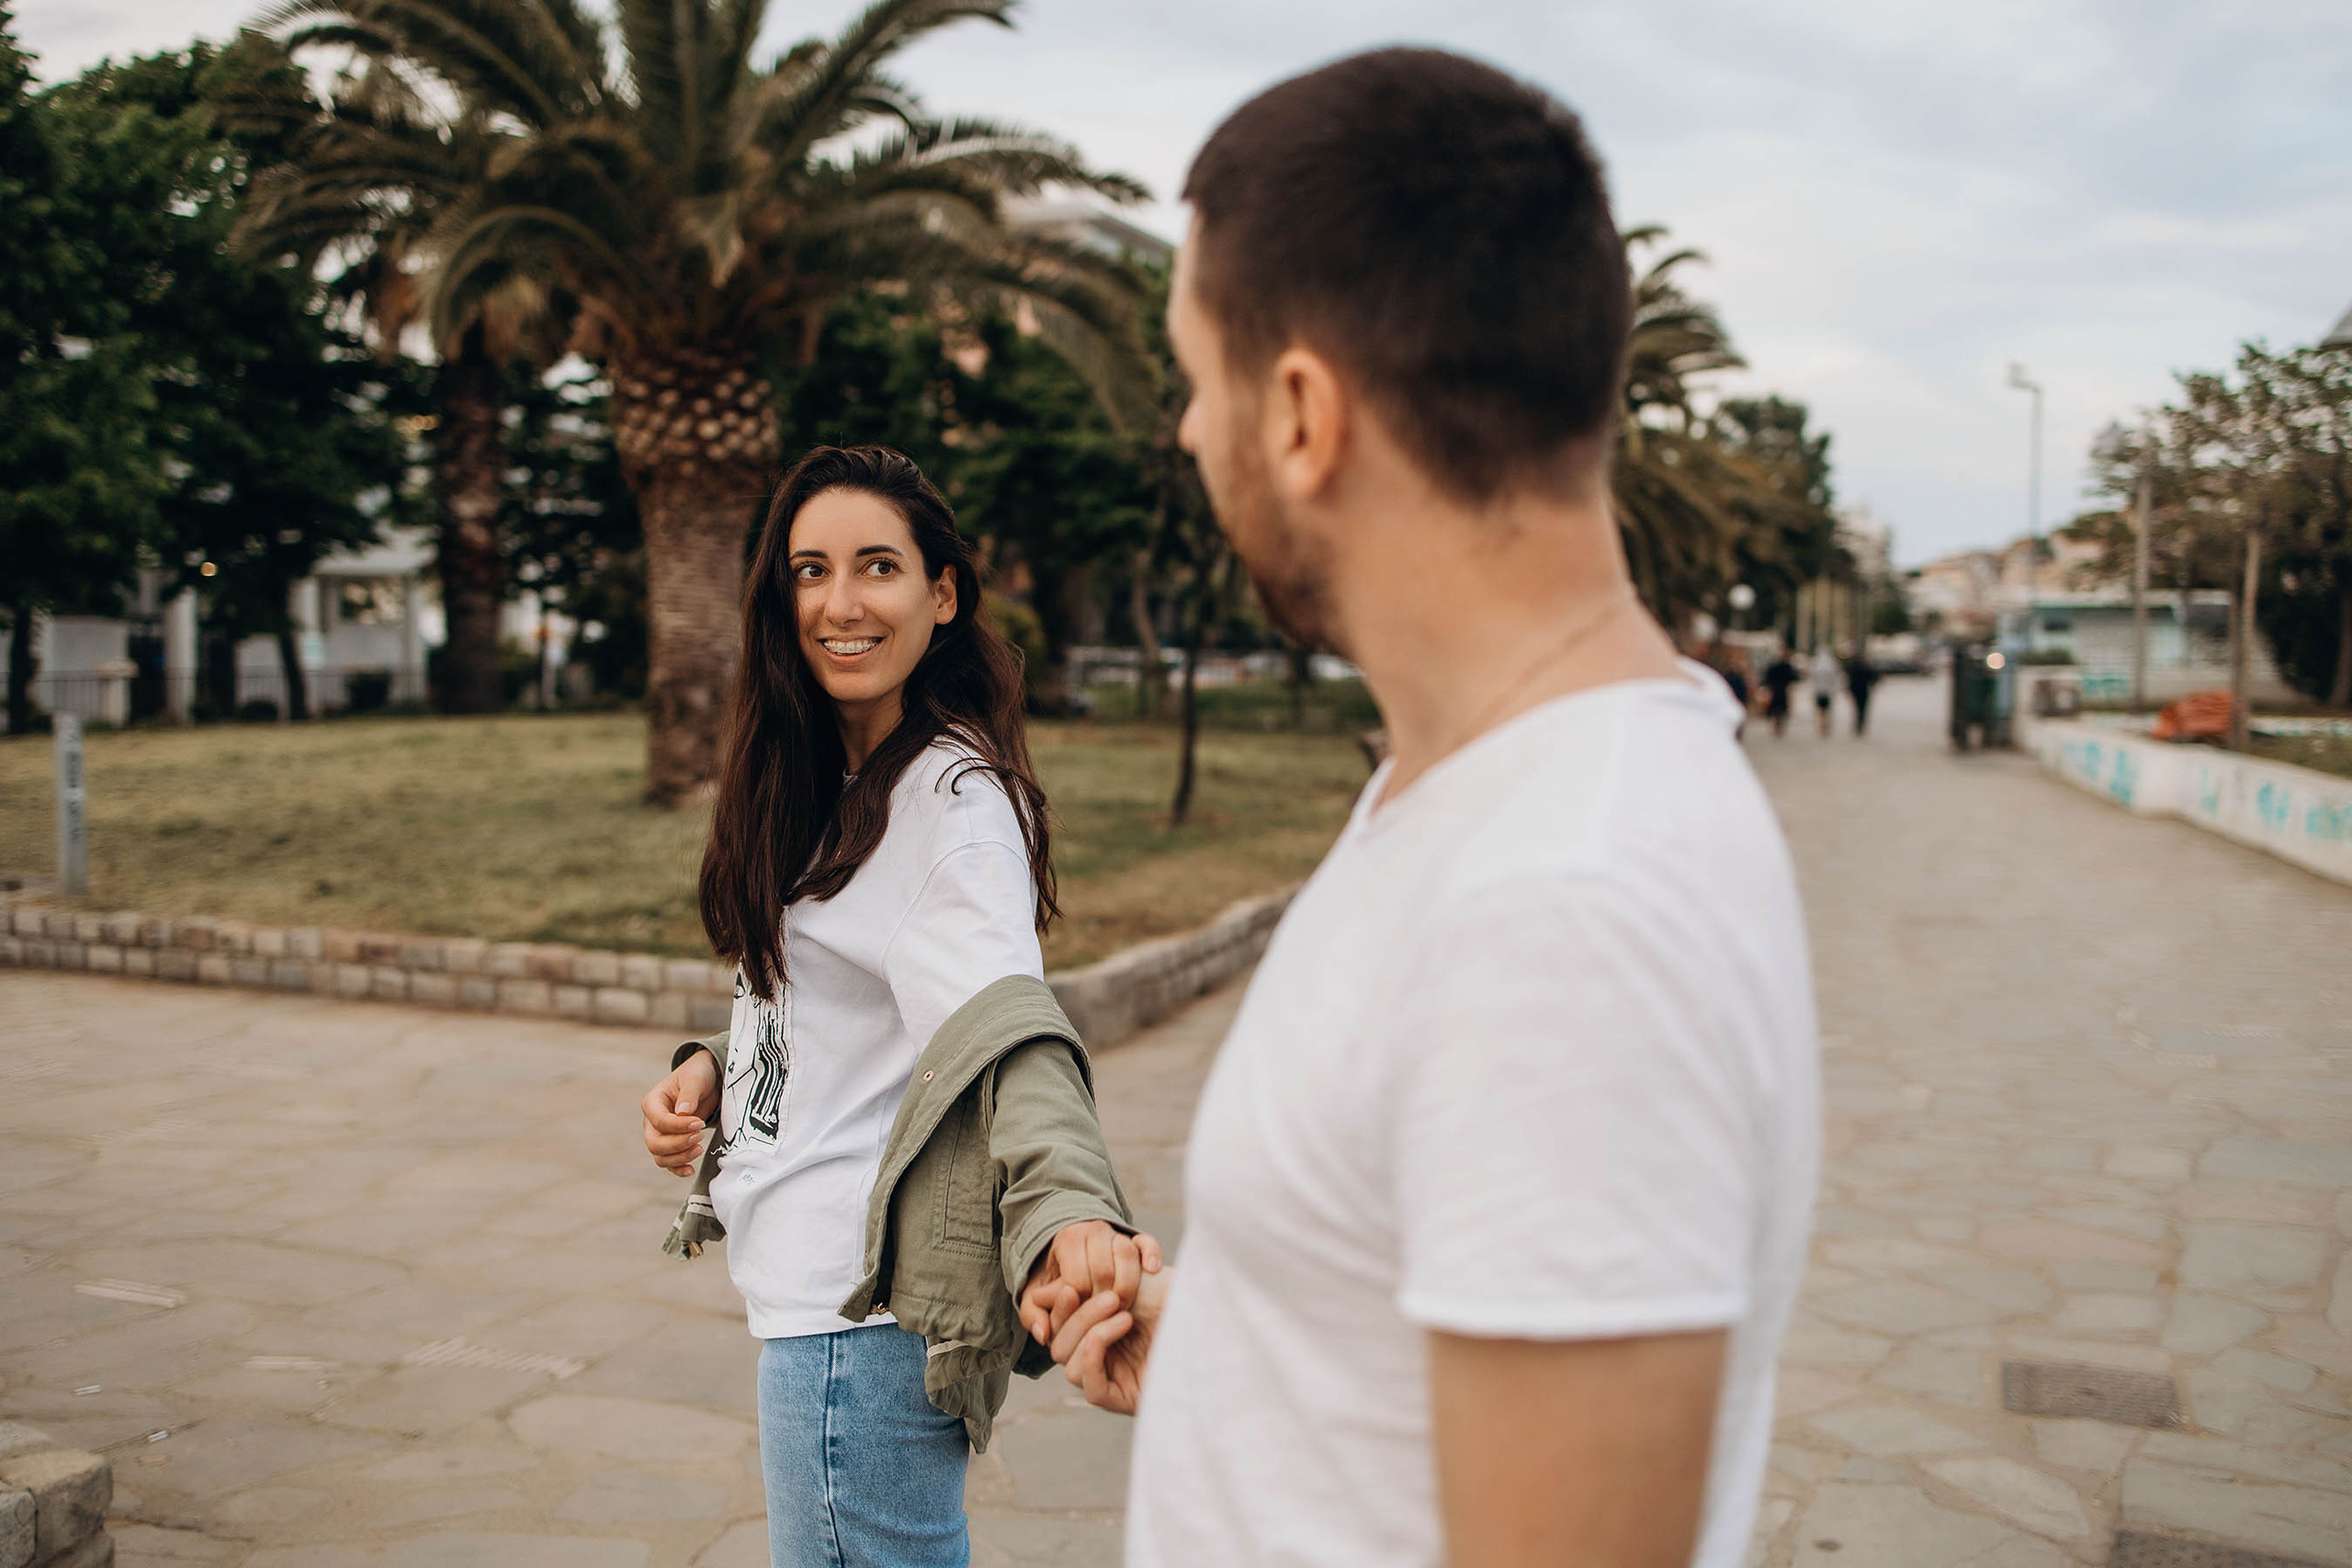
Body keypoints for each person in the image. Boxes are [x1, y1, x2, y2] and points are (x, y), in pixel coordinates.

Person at [1031, 49, 1818, 1568]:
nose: (1191, 432)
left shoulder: (1569, 902)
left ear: (1306, 411)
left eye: (1200, 380)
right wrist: (1247, 1342)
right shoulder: (1471, 791)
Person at [638, 446, 1158, 1568]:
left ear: (942, 593)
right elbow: (846, 994)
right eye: (809, 570)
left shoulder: (949, 808)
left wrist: (1075, 1209)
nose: (839, 602)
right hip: (822, 1318)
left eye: (878, 566)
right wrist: (717, 1068)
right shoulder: (824, 773)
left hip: (854, 1329)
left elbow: (1006, 1036)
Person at [1760, 649, 1801, 739]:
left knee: (1776, 710)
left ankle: (1776, 726)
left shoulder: (1773, 667)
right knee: (1782, 710)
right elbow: (1794, 677)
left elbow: (1766, 677)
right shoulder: (1787, 667)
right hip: (1783, 691)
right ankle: (1779, 727)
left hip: (1775, 690)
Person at [1847, 647, 1881, 737]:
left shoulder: (1854, 667)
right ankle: (1860, 724)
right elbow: (1875, 677)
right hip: (1862, 691)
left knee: (1858, 709)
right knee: (1861, 709)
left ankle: (1859, 725)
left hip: (1858, 691)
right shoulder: (1863, 667)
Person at [1808, 642, 1839, 738]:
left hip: (1819, 691)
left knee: (1820, 711)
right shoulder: (1831, 663)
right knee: (1827, 711)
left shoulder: (1815, 663)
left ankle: (1822, 726)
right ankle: (1825, 727)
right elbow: (1835, 679)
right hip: (1827, 691)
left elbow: (1811, 678)